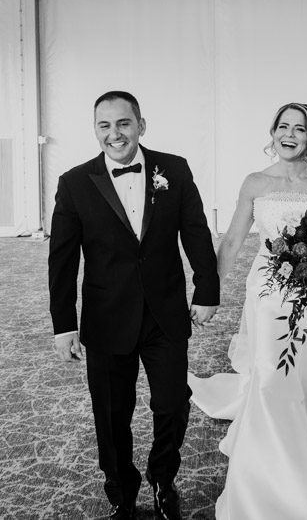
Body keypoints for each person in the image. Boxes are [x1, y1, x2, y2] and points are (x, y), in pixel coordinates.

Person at [188, 102, 307, 519]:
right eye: (283, 126)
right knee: (272, 373)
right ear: (272, 132)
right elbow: (234, 240)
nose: (290, 134)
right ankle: (275, 463)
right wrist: (210, 292)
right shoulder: (255, 182)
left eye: (300, 128)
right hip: (268, 292)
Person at [48, 91, 219, 520]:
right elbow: (63, 261)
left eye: (123, 123)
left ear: (142, 124)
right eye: (104, 126)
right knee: (110, 414)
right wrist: (63, 324)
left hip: (165, 312)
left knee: (173, 403)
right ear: (95, 130)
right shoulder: (74, 182)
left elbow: (196, 232)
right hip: (106, 319)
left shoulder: (173, 170)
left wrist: (206, 289)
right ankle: (121, 492)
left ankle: (163, 477)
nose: (114, 134)